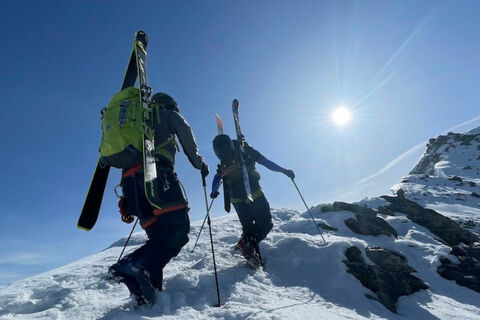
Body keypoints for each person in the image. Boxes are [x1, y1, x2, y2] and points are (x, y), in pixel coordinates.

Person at [108, 92, 209, 305]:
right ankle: (132, 264)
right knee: (177, 231)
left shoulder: (137, 121)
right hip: (157, 178)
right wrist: (200, 164)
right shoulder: (167, 113)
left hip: (130, 186)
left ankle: (149, 294)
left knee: (158, 240)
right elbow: (185, 132)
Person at [210, 134, 294, 266]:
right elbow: (266, 163)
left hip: (235, 198)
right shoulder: (245, 151)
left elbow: (217, 178)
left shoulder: (224, 161)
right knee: (266, 223)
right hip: (252, 192)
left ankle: (245, 244)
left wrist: (213, 192)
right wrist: (284, 171)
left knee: (248, 227)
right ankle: (249, 247)